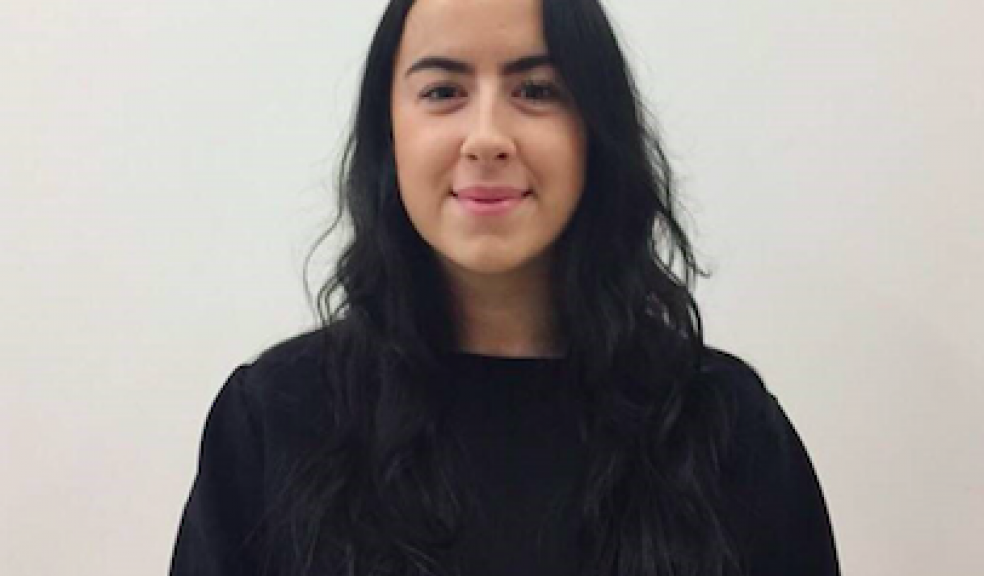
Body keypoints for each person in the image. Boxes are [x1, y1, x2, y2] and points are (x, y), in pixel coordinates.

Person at [169, 0, 841, 574]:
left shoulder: (726, 428)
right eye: (443, 92)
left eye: (537, 90)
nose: (487, 137)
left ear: (595, 129)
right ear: (389, 134)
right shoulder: (273, 422)